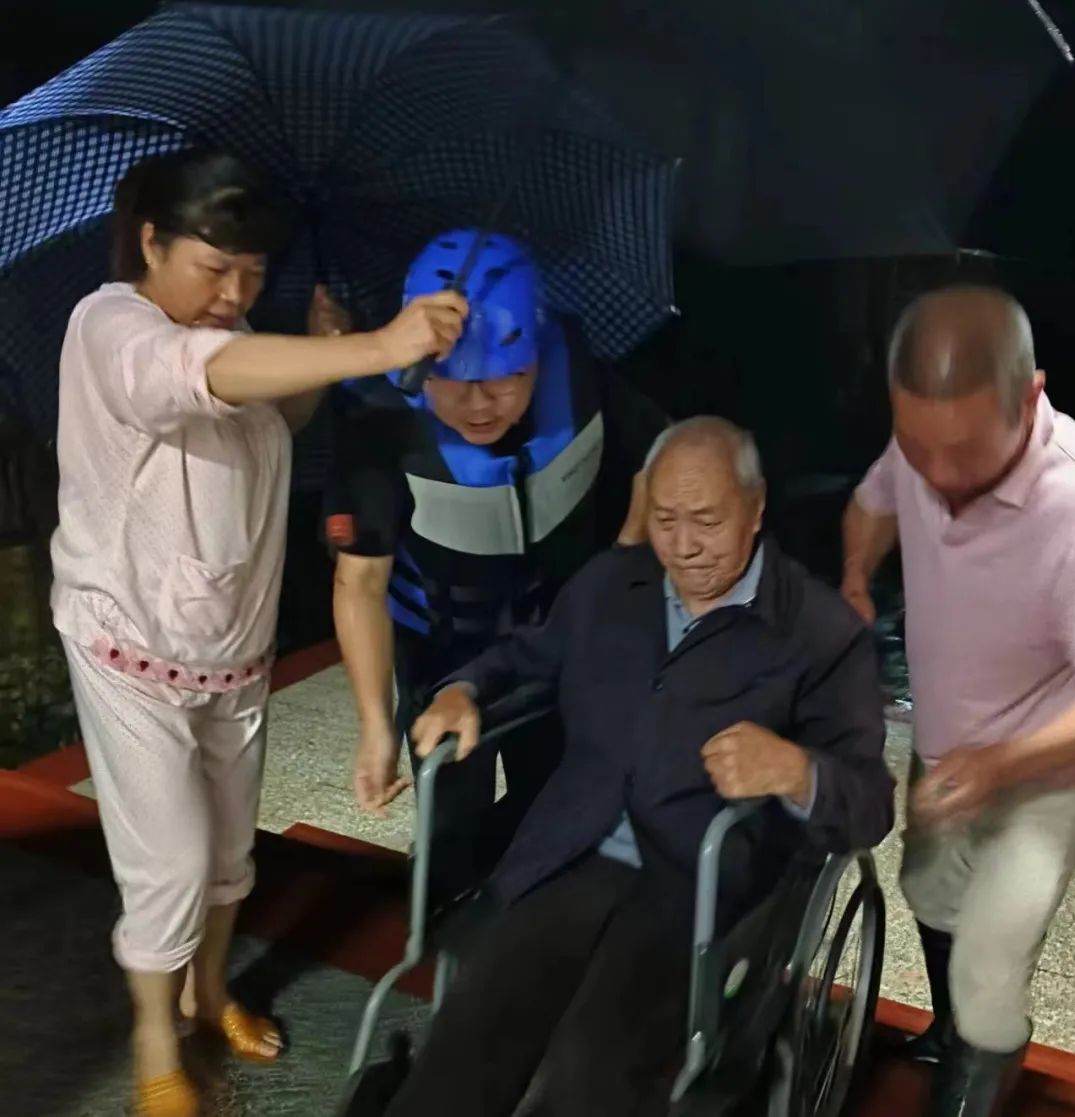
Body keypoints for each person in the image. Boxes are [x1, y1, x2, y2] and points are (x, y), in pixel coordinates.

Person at [50, 148, 466, 1117]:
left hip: (233, 646)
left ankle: (208, 992)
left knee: (232, 850)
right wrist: (379, 345)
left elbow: (270, 406)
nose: (233, 293)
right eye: (213, 266)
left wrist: (318, 348)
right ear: (151, 242)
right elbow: (201, 374)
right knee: (171, 861)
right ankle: (155, 1041)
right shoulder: (112, 326)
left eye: (251, 272)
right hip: (129, 644)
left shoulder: (230, 332)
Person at [379, 416, 893, 1117]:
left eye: (706, 520)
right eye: (665, 518)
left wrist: (796, 770)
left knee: (591, 1069)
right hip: (572, 849)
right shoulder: (613, 583)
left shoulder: (819, 632)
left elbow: (870, 804)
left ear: (756, 508)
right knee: (472, 1034)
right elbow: (526, 655)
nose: (684, 546)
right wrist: (462, 690)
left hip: (700, 882)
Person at [325, 229, 667, 897]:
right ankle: (450, 923)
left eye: (508, 378)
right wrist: (374, 723)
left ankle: (538, 918)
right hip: (442, 652)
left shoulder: (578, 371)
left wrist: (626, 560)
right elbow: (359, 582)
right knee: (453, 820)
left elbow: (662, 454)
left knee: (561, 798)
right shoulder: (377, 423)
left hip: (556, 637)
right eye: (457, 384)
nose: (482, 405)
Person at [841, 285, 1075, 1117]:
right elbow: (872, 502)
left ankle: (970, 1081)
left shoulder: (1073, 509)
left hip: (1047, 774)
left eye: (966, 452)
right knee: (930, 895)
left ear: (1031, 397)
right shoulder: (930, 437)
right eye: (919, 446)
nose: (938, 476)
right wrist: (855, 576)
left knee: (988, 966)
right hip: (946, 748)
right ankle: (948, 1032)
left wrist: (1002, 761)